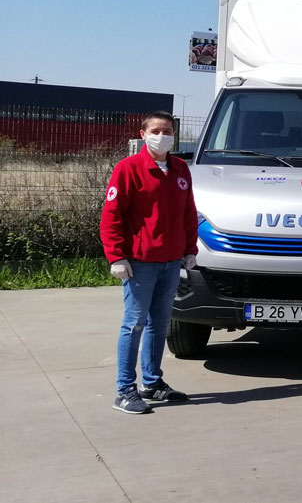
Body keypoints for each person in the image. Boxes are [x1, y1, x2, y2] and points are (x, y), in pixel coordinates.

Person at [100, 111, 199, 413]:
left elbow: (188, 212)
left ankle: (152, 383)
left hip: (171, 261)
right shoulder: (128, 169)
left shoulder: (180, 168)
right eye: (156, 130)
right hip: (140, 262)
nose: (162, 135)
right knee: (134, 324)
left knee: (159, 324)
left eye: (167, 130)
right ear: (143, 134)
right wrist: (116, 256)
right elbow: (111, 216)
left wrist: (189, 249)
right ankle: (124, 390)